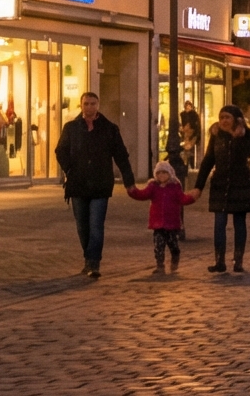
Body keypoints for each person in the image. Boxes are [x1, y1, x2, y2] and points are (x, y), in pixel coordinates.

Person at [54, 92, 136, 279]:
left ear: (98, 105)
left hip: (100, 184)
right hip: (78, 184)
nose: (89, 107)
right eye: (86, 104)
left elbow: (121, 156)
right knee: (82, 225)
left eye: (93, 104)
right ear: (81, 105)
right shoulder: (72, 128)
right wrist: (69, 169)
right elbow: (60, 150)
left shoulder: (109, 129)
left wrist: (129, 182)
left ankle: (94, 262)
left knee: (96, 224)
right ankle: (88, 257)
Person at [194, 103, 250, 276]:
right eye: (221, 117)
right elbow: (208, 160)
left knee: (239, 223)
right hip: (220, 185)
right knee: (219, 223)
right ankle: (219, 262)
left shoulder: (247, 136)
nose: (224, 121)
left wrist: (241, 134)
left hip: (240, 184)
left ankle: (238, 260)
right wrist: (198, 187)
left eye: (227, 117)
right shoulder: (217, 136)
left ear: (236, 120)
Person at [125, 160, 199, 275]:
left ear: (170, 174)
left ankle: (175, 255)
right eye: (159, 173)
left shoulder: (175, 186)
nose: (161, 175)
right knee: (158, 245)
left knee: (172, 244)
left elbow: (182, 199)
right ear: (156, 174)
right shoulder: (153, 186)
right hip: (157, 223)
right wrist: (132, 191)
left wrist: (192, 198)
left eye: (164, 173)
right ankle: (160, 265)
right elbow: (142, 194)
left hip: (172, 224)